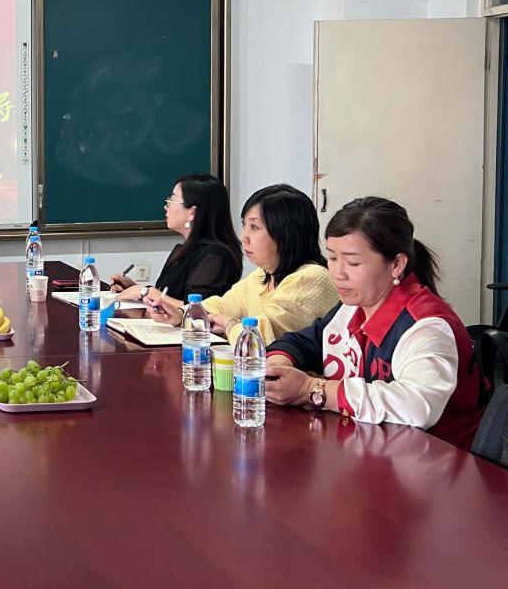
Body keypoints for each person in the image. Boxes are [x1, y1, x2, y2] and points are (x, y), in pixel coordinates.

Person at [265, 197, 486, 449]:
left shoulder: (427, 326)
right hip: (372, 449)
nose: (338, 273)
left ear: (397, 264)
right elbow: (305, 342)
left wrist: (311, 389)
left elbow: (417, 406)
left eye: (353, 262)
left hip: (438, 459)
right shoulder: (353, 306)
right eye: (332, 258)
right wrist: (277, 367)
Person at [144, 184, 339, 344]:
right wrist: (181, 315)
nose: (244, 237)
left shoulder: (312, 278)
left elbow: (260, 336)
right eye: (244, 225)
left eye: (254, 227)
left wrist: (229, 325)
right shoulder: (262, 275)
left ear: (286, 233)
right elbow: (223, 305)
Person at [110, 173, 241, 301]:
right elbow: (165, 298)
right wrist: (134, 290)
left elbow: (196, 309)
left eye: (171, 201)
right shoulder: (184, 250)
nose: (166, 207)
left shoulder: (214, 257)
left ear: (192, 213)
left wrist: (145, 292)